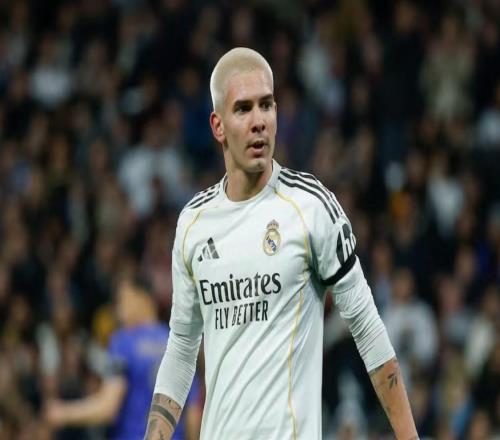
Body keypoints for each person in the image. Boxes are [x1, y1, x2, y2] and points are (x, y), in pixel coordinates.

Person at [145, 47, 418, 439]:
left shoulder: (311, 207)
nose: (259, 121)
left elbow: (369, 331)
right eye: (243, 109)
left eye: (267, 105)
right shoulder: (193, 224)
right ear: (218, 126)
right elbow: (181, 350)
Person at [45, 276, 201, 440]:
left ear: (143, 298)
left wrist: (62, 413)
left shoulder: (124, 342)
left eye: (123, 300)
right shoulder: (180, 344)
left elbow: (108, 407)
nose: (118, 310)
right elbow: (192, 415)